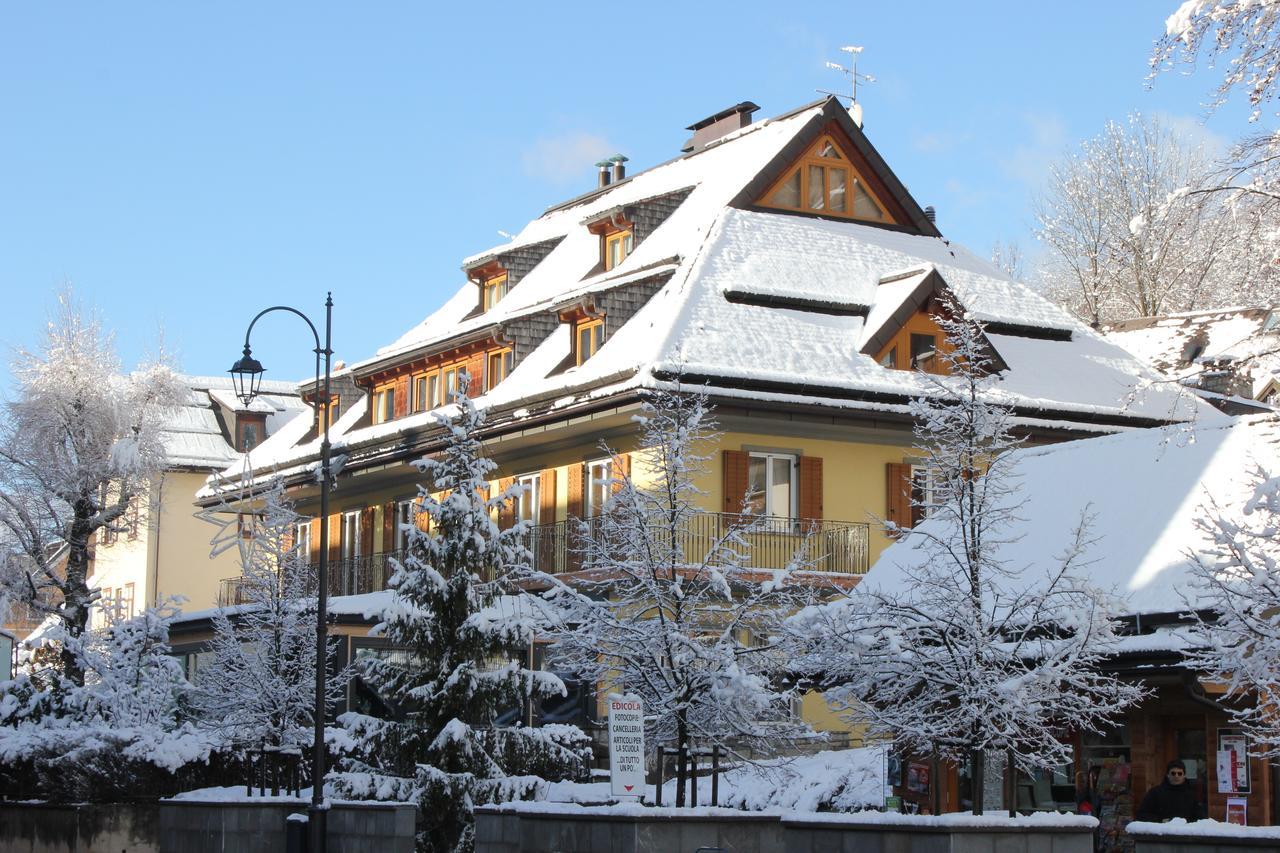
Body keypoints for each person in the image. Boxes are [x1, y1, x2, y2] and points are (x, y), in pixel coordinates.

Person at [1135, 760, 1202, 822]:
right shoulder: (1155, 793)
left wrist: (1186, 822)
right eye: (1173, 773)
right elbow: (1141, 815)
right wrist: (1161, 820)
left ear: (1184, 775)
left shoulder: (1191, 794)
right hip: (1162, 832)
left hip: (1184, 831)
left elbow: (1200, 817)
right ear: (1168, 775)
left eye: (1179, 773)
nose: (1176, 776)